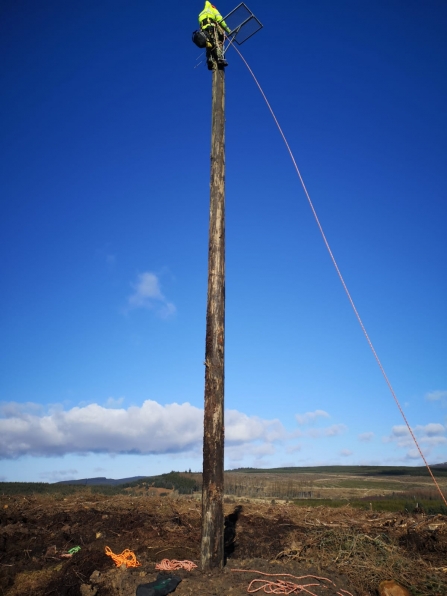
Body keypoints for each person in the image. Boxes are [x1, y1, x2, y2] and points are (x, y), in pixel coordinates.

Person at [198, 2, 231, 69]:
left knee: (209, 44)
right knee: (217, 43)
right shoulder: (213, 10)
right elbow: (220, 20)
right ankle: (220, 59)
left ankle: (210, 60)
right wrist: (228, 30)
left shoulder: (201, 13)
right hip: (211, 28)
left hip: (203, 31)